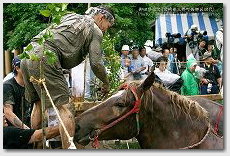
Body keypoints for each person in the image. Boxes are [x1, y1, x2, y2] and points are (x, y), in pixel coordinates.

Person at [20, 5, 115, 149]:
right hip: (45, 56)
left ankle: (36, 148)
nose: (106, 29)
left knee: (38, 104)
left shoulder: (70, 16)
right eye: (108, 25)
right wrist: (106, 82)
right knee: (66, 108)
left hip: (28, 54)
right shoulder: (95, 30)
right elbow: (96, 63)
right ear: (101, 18)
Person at [3, 56, 32, 129]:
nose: (30, 69)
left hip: (31, 128)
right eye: (26, 66)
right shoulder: (8, 86)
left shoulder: (32, 85)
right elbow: (8, 112)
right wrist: (26, 130)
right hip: (14, 131)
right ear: (17, 68)